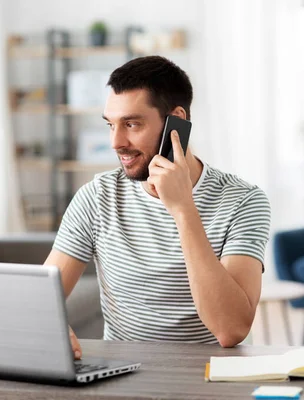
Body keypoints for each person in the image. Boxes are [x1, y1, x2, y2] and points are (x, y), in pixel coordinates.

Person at [44, 56, 271, 357]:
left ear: (176, 121)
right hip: (123, 378)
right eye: (111, 125)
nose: (116, 141)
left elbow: (231, 329)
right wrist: (51, 327)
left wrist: (182, 209)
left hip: (211, 377)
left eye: (132, 124)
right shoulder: (96, 197)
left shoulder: (243, 201)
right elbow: (43, 300)